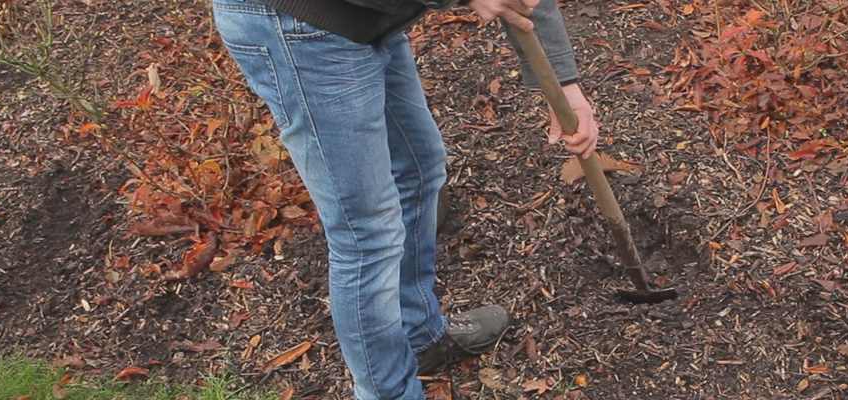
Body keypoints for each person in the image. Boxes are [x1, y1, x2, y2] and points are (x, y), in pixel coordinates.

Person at [209, 0, 598, 398]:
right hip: (298, 21)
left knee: (417, 170)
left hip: (369, 15)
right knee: (367, 233)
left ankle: (417, 335)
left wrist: (563, 83)